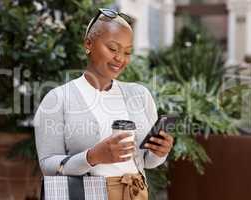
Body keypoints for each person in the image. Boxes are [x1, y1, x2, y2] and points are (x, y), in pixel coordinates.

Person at [34, 8, 174, 200]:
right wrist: (92, 157)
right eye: (113, 49)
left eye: (127, 52)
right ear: (88, 44)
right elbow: (47, 165)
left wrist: (160, 152)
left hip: (135, 193)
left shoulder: (140, 95)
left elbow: (147, 161)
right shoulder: (58, 99)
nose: (120, 58)